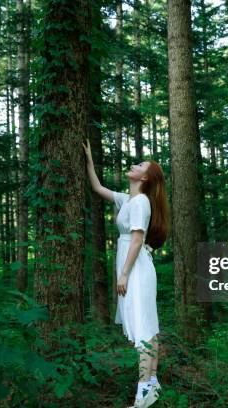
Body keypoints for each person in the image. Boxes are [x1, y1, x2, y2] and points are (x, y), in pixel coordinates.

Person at [83, 139, 169, 408]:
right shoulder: (128, 199)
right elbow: (98, 188)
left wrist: (123, 275)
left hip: (136, 270)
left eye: (141, 164)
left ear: (145, 177)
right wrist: (88, 158)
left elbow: (135, 240)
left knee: (144, 328)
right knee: (148, 326)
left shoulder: (141, 202)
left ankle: (144, 392)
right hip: (133, 267)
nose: (135, 163)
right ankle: (152, 384)